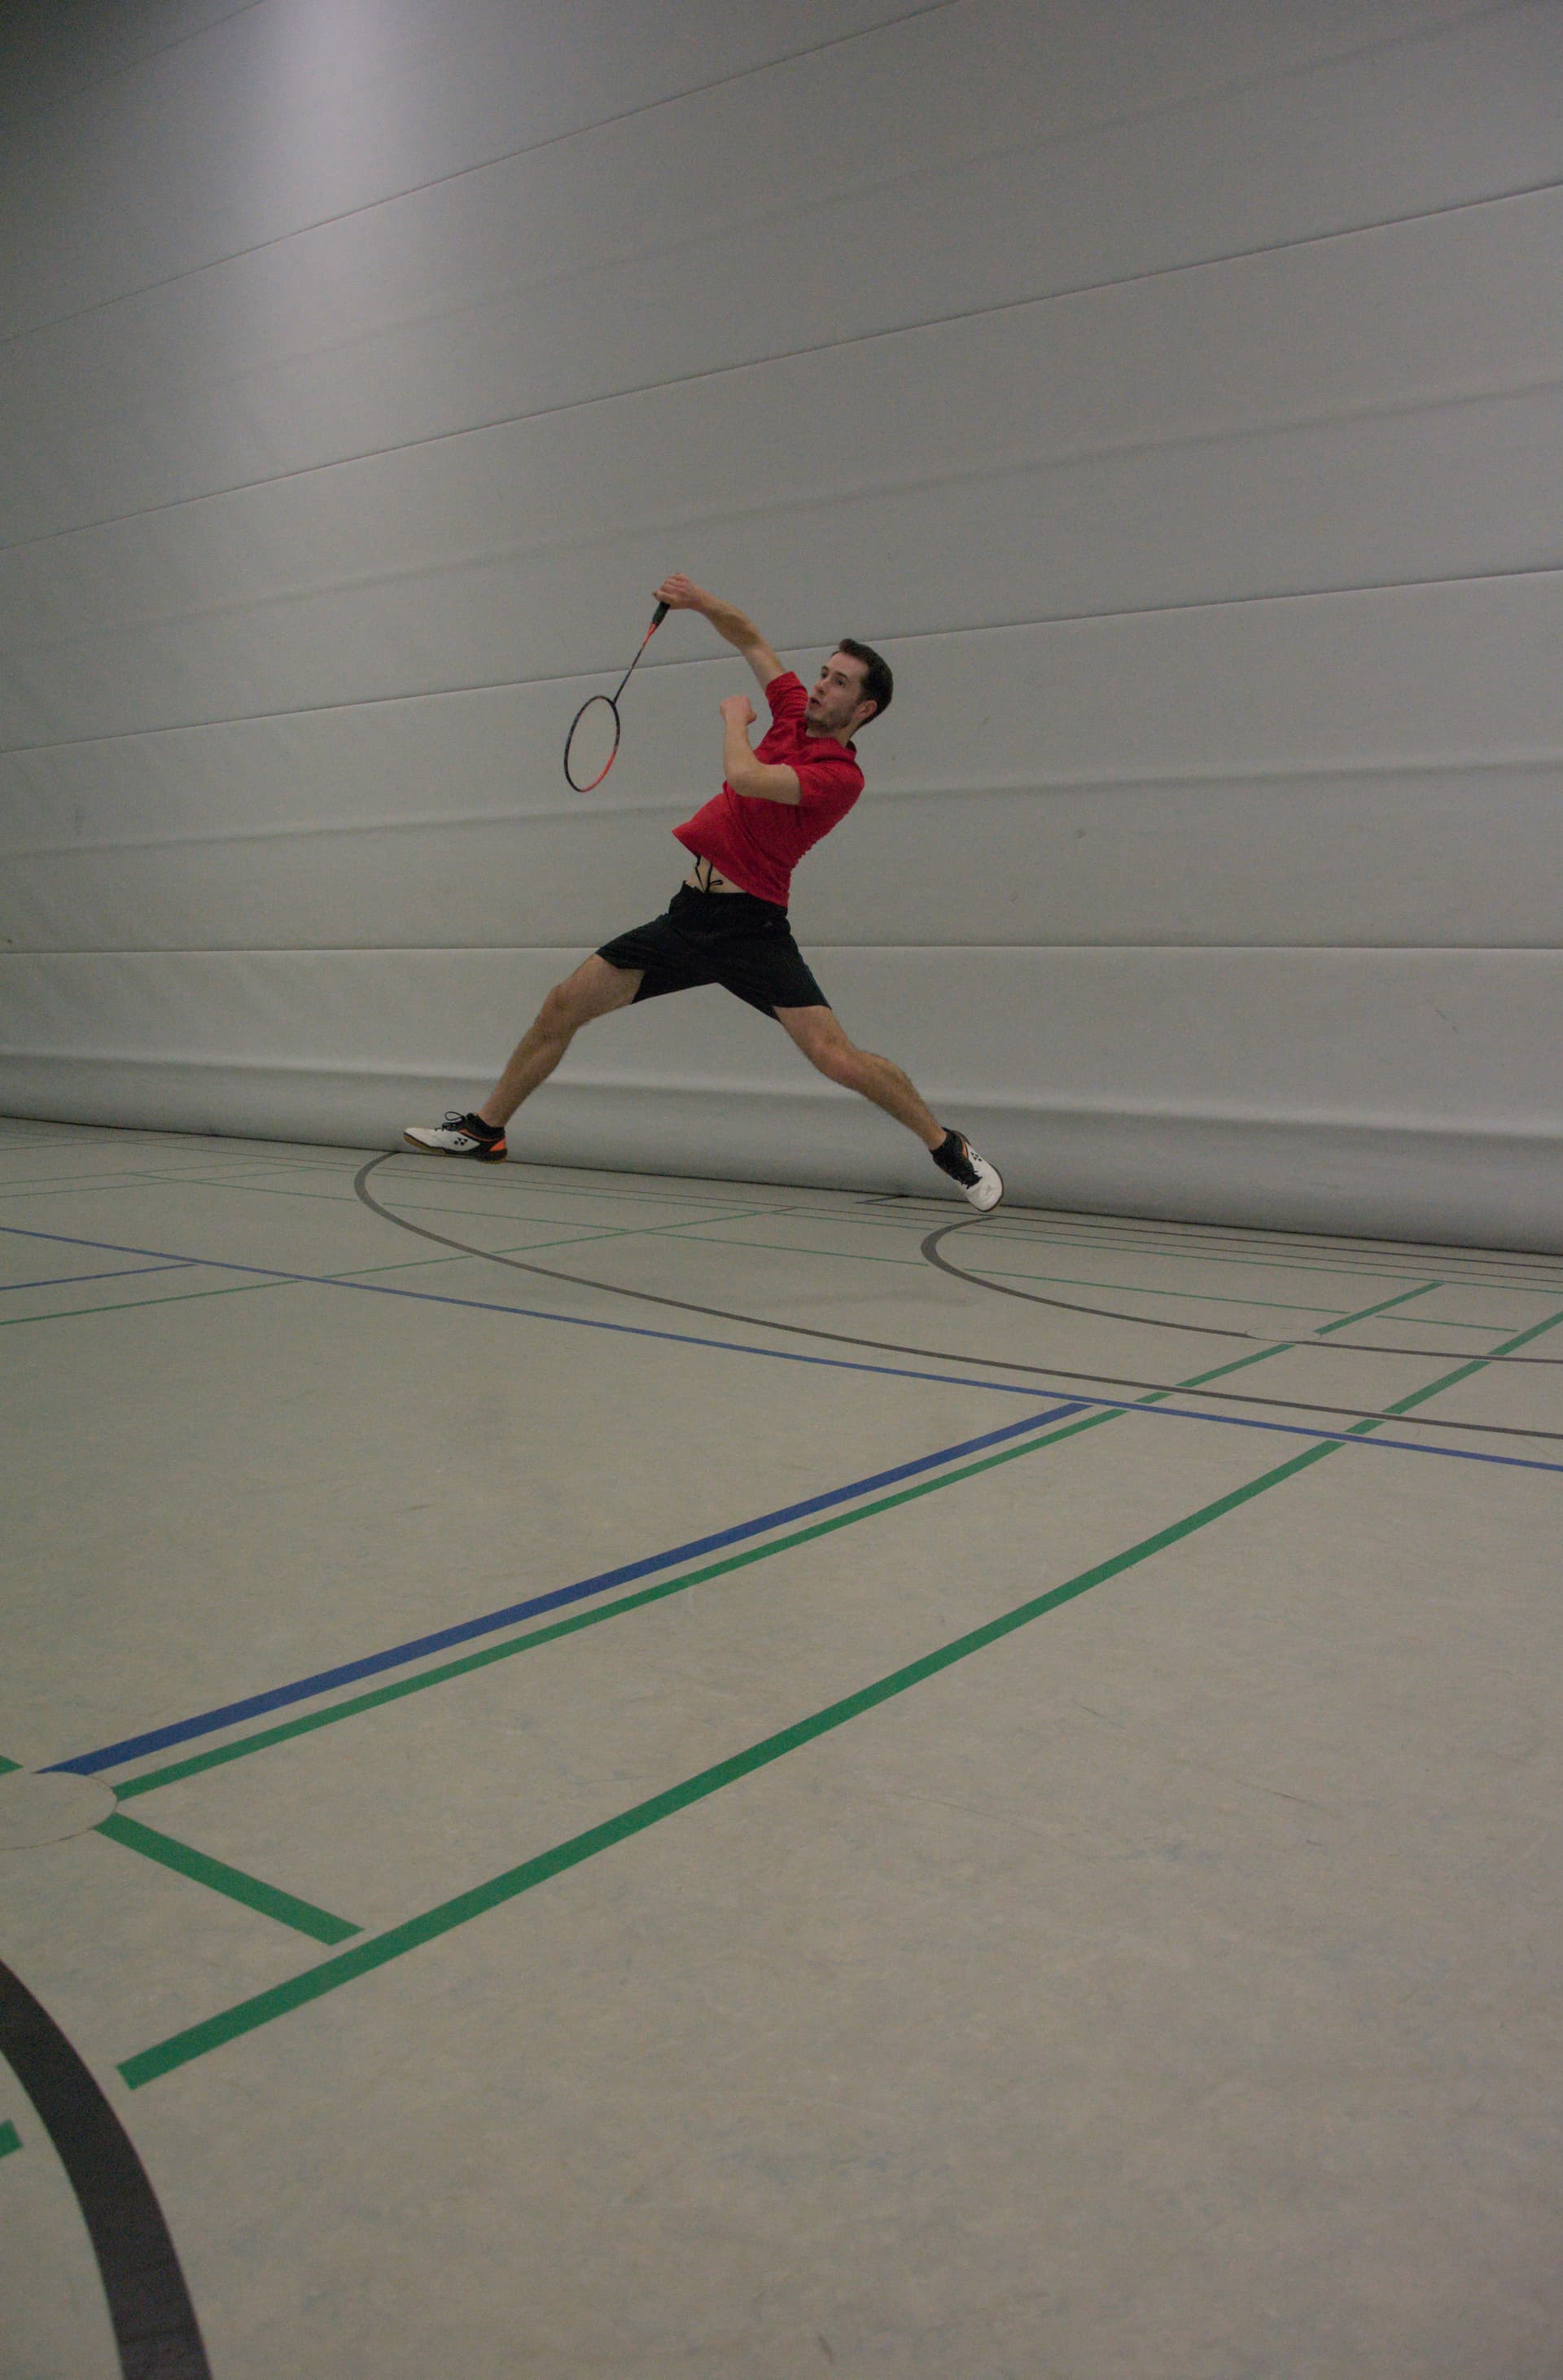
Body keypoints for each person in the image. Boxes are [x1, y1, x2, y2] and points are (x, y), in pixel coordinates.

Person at [405, 574, 1003, 1210]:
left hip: (751, 928)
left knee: (835, 1057)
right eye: (824, 673)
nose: (821, 685)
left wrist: (734, 719)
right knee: (562, 1005)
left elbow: (744, 776)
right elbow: (751, 638)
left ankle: (946, 1145)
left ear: (865, 710)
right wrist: (698, 602)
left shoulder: (839, 777)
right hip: (688, 916)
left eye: (840, 682)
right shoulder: (792, 711)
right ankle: (486, 1129)